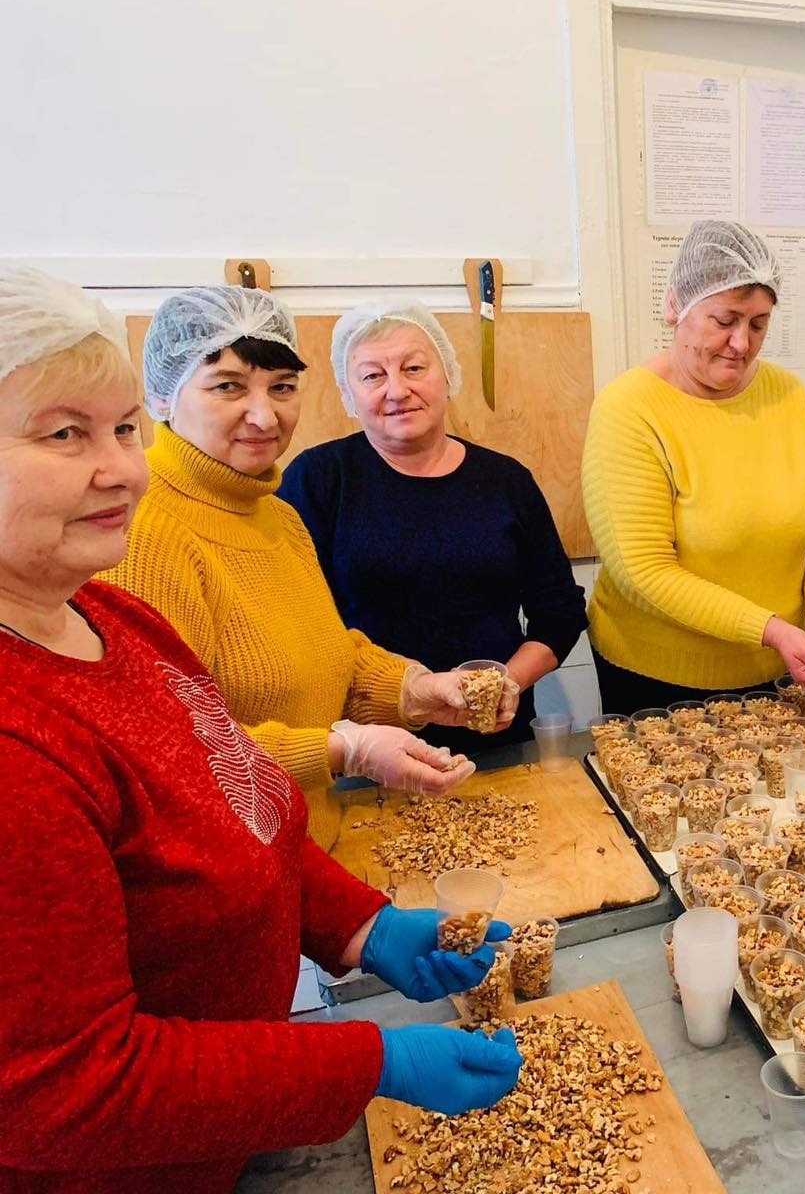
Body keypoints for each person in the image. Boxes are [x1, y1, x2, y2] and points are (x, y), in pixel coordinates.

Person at [0, 270, 522, 1194]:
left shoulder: (113, 621)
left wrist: (359, 925)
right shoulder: (19, 747)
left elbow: (234, 798)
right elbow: (65, 1090)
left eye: (124, 428)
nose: (123, 466)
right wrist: (370, 1067)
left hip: (225, 1125)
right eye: (64, 433)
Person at [102, 287, 509, 849]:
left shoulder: (277, 516)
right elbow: (162, 748)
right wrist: (345, 750)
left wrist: (418, 690)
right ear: (164, 397)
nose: (264, 414)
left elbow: (329, 657)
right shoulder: (142, 530)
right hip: (226, 869)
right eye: (228, 386)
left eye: (283, 387)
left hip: (308, 849)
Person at [280, 300, 586, 758]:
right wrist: (409, 691)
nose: (397, 390)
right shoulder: (319, 480)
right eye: (373, 376)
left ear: (447, 375)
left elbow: (560, 610)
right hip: (369, 745)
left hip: (496, 734)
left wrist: (508, 682)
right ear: (349, 394)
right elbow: (299, 624)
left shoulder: (505, 480)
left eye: (414, 367)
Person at [582, 220, 805, 714]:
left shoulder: (788, 395)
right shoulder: (630, 408)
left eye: (758, 324)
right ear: (675, 307)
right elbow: (643, 571)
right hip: (660, 678)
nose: (741, 343)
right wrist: (771, 629)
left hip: (778, 665)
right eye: (724, 320)